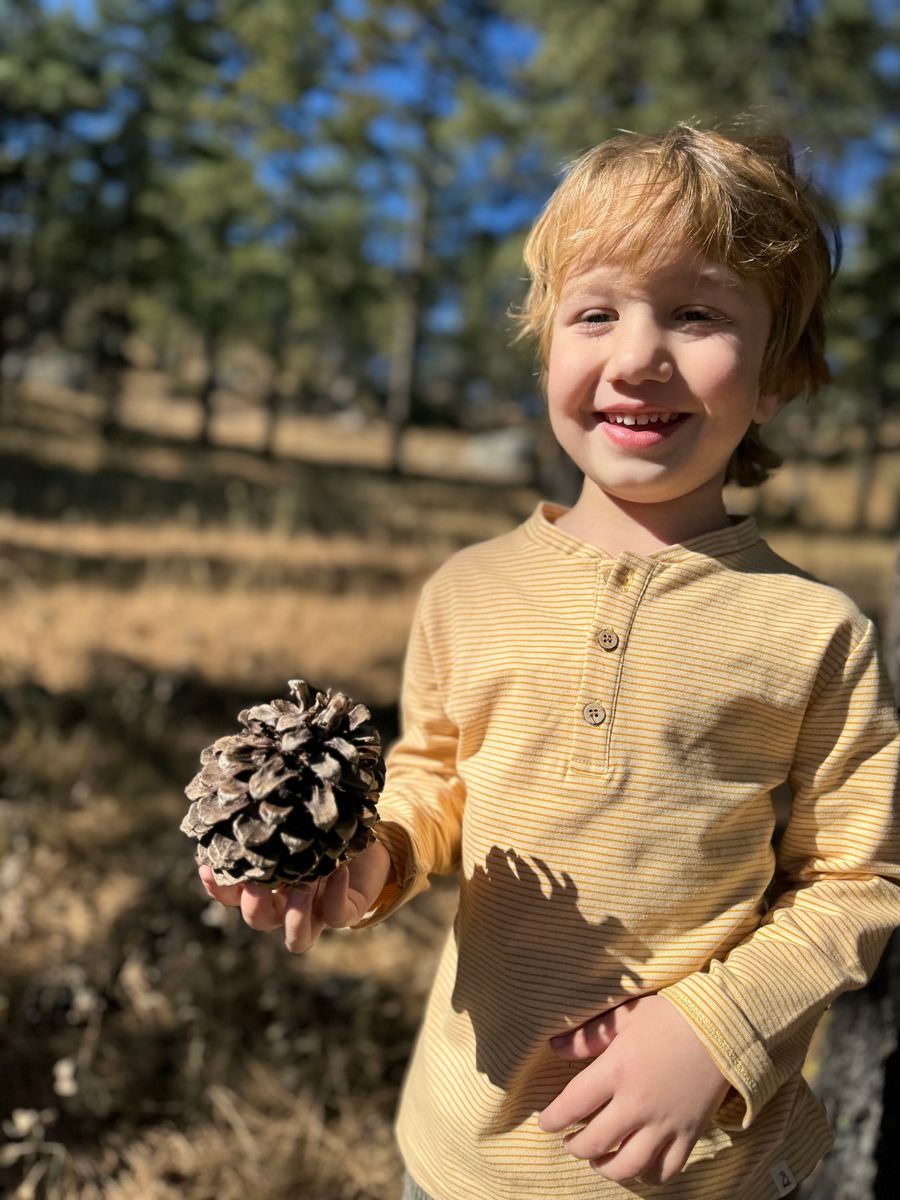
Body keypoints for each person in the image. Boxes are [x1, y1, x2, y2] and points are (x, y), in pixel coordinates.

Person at [200, 124, 900, 1199]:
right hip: (459, 1150)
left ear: (775, 374)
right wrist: (369, 856)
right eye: (596, 313)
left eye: (699, 314)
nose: (638, 357)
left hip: (698, 1175)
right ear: (547, 349)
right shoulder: (469, 590)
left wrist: (714, 1030)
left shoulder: (814, 632)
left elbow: (856, 880)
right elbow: (434, 782)